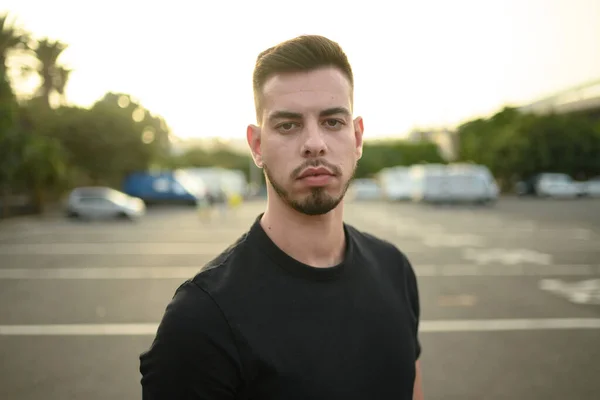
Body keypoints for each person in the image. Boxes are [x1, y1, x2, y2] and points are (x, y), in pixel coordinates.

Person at [140, 34, 424, 400]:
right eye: (288, 125)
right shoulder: (201, 319)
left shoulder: (394, 269)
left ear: (357, 137)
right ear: (257, 146)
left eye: (332, 122)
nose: (314, 142)